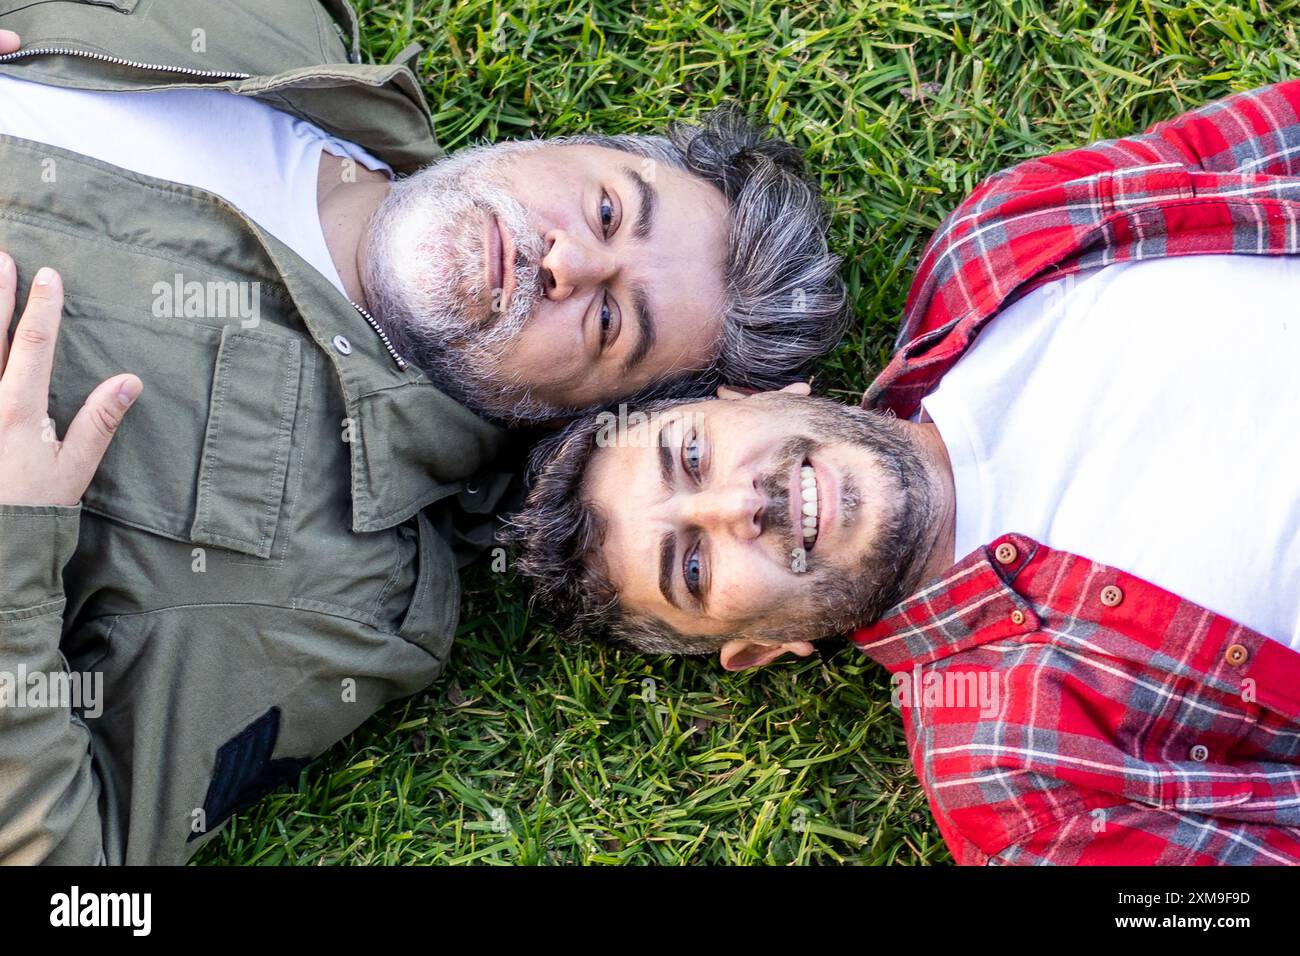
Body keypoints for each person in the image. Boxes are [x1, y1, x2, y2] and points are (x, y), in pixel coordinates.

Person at [0, 1, 845, 864]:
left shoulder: (341, 590)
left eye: (609, 325)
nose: (565, 264)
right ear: (587, 146)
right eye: (605, 211)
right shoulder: (283, 20)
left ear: (576, 423)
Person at [509, 79, 1300, 866]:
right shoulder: (1020, 790)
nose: (740, 502)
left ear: (756, 396)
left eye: (692, 455)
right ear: (761, 645)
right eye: (692, 563)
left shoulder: (1001, 242)